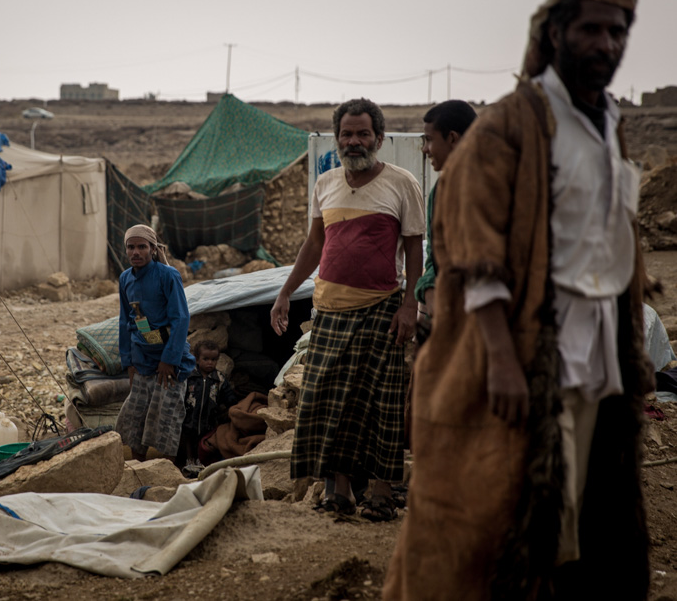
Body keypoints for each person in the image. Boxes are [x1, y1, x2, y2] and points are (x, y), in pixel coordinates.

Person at [384, 0, 652, 598]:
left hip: (598, 354)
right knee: (487, 518)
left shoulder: (609, 125)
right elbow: (476, 256)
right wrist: (503, 360)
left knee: (584, 513)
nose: (606, 43)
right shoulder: (508, 127)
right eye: (591, 28)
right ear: (555, 32)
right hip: (522, 353)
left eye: (617, 31)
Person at [270, 98, 424, 519]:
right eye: (346, 134)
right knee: (325, 401)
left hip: (382, 306)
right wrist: (285, 292)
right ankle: (338, 492)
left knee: (380, 402)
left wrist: (410, 304)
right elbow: (315, 245)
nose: (354, 141)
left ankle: (379, 492)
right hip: (329, 311)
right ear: (337, 138)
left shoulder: (401, 183)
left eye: (362, 134)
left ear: (379, 137)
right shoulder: (326, 183)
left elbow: (414, 248)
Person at [116, 224, 196, 463]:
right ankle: (139, 470)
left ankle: (165, 474)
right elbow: (124, 321)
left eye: (142, 246)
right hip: (142, 360)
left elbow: (181, 318)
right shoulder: (125, 279)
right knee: (135, 417)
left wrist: (168, 360)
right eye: (131, 247)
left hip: (169, 363)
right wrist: (128, 361)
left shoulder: (167, 275)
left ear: (152, 249)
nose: (136, 252)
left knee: (166, 419)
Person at [413, 99, 477, 336]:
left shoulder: (497, 186)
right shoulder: (440, 191)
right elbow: (435, 256)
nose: (425, 149)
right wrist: (428, 287)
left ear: (452, 138)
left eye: (429, 140)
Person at [178, 340, 237, 477]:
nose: (210, 362)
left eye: (213, 359)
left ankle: (201, 461)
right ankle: (189, 459)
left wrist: (233, 407)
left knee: (203, 439)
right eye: (206, 359)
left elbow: (228, 396)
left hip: (209, 418)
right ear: (197, 359)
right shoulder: (190, 376)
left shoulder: (219, 379)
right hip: (190, 416)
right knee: (189, 437)